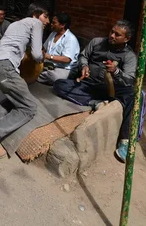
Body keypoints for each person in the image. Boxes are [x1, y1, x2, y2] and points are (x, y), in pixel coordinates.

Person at [0, 3, 49, 159]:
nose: (46, 21)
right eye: (45, 16)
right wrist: (44, 57)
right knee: (29, 107)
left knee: (19, 96)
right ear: (35, 15)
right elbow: (35, 54)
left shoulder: (15, 24)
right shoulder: (36, 23)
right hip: (5, 66)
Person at [52, 20, 137, 162]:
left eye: (117, 35)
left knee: (132, 94)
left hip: (111, 89)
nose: (112, 36)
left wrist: (116, 71)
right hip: (89, 84)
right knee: (59, 84)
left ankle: (125, 140)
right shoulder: (97, 42)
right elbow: (83, 56)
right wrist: (84, 67)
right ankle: (95, 103)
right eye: (112, 31)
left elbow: (129, 79)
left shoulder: (129, 56)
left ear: (126, 39)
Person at [38, 13, 80, 85]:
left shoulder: (70, 39)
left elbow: (67, 59)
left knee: (54, 77)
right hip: (50, 65)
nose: (51, 24)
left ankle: (38, 75)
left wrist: (49, 57)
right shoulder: (53, 34)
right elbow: (44, 48)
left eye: (54, 23)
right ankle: (39, 74)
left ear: (62, 25)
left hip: (64, 69)